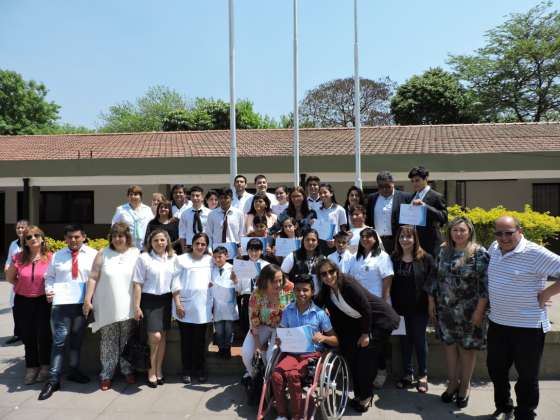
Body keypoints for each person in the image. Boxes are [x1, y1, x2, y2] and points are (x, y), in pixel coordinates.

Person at [486, 216, 560, 420]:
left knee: (527, 376)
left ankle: (525, 414)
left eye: (508, 232)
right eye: (499, 233)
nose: (503, 237)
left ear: (520, 231)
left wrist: (547, 293)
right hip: (498, 323)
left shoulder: (534, 252)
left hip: (528, 327)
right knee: (496, 369)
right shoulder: (494, 247)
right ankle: (504, 406)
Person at [315, 259, 400, 413]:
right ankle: (360, 394)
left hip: (380, 319)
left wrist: (366, 333)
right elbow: (316, 303)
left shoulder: (347, 283)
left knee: (364, 359)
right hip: (361, 323)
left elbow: (365, 307)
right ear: (320, 277)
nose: (328, 276)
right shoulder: (327, 291)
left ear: (336, 271)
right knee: (352, 356)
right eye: (323, 274)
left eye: (331, 272)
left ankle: (366, 396)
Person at [428, 217, 489, 408]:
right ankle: (453, 382)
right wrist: (431, 302)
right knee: (449, 346)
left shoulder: (479, 253)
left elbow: (486, 286)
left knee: (467, 348)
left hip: (470, 312)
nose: (459, 233)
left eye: (462, 230)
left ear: (469, 231)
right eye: (455, 230)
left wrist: (479, 311)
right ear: (450, 232)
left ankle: (465, 385)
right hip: (446, 310)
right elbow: (434, 278)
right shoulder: (443, 251)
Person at [39, 224, 97, 400]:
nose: (73, 240)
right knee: (60, 341)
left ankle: (73, 370)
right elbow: (49, 276)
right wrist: (49, 290)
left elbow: (97, 278)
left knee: (77, 339)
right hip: (62, 305)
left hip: (82, 305)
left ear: (84, 237)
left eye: (77, 237)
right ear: (65, 239)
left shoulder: (93, 255)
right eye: (70, 237)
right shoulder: (57, 256)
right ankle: (53, 379)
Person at [82, 222, 140, 391]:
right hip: (106, 304)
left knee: (127, 339)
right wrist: (88, 299)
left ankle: (127, 369)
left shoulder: (136, 253)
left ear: (127, 237)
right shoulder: (103, 253)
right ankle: (106, 374)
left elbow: (140, 280)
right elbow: (93, 277)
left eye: (121, 235)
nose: (117, 239)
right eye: (114, 236)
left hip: (128, 305)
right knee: (108, 340)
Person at [272, 274, 338, 420]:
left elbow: (335, 340)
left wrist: (324, 337)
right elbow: (282, 331)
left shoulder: (320, 314)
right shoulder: (288, 311)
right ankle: (282, 414)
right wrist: (279, 339)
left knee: (293, 375)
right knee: (276, 375)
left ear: (312, 292)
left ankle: (297, 415)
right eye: (298, 290)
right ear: (293, 291)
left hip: (312, 355)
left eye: (305, 290)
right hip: (291, 353)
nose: (301, 293)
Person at [347, 227, 394, 388]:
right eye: (363, 237)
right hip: (358, 307)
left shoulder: (383, 256)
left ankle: (381, 371)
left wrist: (383, 301)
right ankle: (363, 374)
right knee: (360, 341)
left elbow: (387, 279)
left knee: (376, 343)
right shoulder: (355, 257)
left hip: (376, 306)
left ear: (376, 239)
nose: (366, 239)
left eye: (369, 237)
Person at [390, 225, 435, 393]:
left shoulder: (426, 258)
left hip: (419, 308)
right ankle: (408, 374)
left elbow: (431, 283)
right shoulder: (393, 258)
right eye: (402, 237)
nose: (405, 240)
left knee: (419, 340)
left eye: (408, 237)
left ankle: (423, 375)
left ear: (415, 239)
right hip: (399, 309)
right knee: (404, 341)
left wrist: (431, 304)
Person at [6, 225, 52, 385]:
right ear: (24, 241)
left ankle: (45, 366)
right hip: (23, 300)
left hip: (42, 301)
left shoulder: (50, 257)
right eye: (28, 237)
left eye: (36, 235)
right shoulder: (19, 257)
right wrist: (22, 286)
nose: (33, 239)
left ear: (42, 238)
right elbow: (10, 277)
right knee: (28, 335)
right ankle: (31, 367)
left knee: (44, 334)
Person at [132, 229, 176, 388]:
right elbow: (137, 283)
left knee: (163, 336)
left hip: (166, 300)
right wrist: (136, 306)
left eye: (162, 240)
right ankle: (150, 371)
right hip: (149, 300)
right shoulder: (143, 258)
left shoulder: (172, 258)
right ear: (151, 242)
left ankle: (158, 370)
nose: (159, 243)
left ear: (167, 242)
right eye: (156, 240)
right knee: (155, 337)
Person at [172, 232, 213, 384]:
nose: (200, 246)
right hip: (185, 306)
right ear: (192, 244)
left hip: (203, 306)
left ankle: (200, 370)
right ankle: (187, 370)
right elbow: (175, 282)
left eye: (203, 244)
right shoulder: (181, 259)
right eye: (197, 243)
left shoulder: (211, 260)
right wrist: (178, 303)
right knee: (186, 341)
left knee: (201, 341)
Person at [241, 264, 294, 379]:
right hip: (262, 326)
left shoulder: (289, 289)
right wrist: (258, 345)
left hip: (281, 327)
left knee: (271, 356)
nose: (278, 284)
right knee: (246, 353)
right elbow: (254, 319)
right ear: (265, 280)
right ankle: (253, 375)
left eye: (280, 280)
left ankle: (270, 381)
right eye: (274, 281)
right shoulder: (257, 294)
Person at [366, 170, 412, 253]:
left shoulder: (405, 197)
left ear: (393, 183)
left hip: (398, 243)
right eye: (381, 186)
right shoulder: (371, 198)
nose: (384, 189)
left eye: (387, 186)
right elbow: (368, 220)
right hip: (377, 242)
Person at [232, 238, 270, 337]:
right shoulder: (241, 266)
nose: (253, 253)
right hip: (247, 299)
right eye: (251, 250)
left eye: (256, 250)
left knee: (263, 325)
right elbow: (238, 289)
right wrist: (235, 280)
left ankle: (261, 349)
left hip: (263, 299)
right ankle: (250, 350)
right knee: (247, 328)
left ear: (261, 251)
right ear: (247, 251)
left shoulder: (267, 266)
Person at [408, 166, 448, 257]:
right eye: (412, 181)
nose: (414, 183)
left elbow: (444, 217)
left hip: (431, 244)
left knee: (431, 270)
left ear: (425, 179)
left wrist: (425, 206)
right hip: (414, 243)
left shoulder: (436, 196)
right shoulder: (412, 197)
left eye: (417, 180)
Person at [4, 219, 29, 345]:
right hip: (16, 280)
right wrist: (7, 267)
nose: (20, 230)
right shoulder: (13, 244)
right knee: (15, 305)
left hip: (29, 280)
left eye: (22, 227)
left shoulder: (31, 241)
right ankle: (18, 333)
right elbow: (9, 259)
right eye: (18, 228)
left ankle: (28, 333)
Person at [211, 246, 238, 359]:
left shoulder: (233, 269)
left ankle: (227, 349)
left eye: (220, 257)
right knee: (219, 330)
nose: (217, 260)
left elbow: (238, 287)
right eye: (215, 257)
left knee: (229, 330)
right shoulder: (212, 270)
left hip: (229, 305)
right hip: (217, 305)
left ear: (226, 256)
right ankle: (221, 348)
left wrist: (235, 280)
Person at [281, 229, 326, 294]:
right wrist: (289, 286)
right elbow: (283, 273)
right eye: (307, 239)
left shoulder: (323, 259)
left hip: (317, 298)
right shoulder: (292, 256)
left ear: (318, 242)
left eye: (313, 240)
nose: (310, 242)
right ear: (303, 241)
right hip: (297, 296)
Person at [112, 185, 154, 249]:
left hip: (145, 246)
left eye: (136, 194)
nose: (133, 196)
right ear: (128, 196)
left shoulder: (147, 209)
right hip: (127, 245)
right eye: (130, 194)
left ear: (140, 197)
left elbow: (152, 225)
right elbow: (114, 226)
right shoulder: (121, 209)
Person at [316, 183, 347, 252]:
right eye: (320, 193)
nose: (322, 195)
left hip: (335, 243)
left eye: (325, 192)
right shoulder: (317, 211)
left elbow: (343, 230)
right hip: (321, 243)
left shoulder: (340, 209)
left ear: (331, 193)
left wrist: (336, 241)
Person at [179, 186, 210, 252]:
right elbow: (182, 233)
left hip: (205, 246)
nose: (195, 198)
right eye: (193, 196)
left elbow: (212, 232)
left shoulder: (209, 213)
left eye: (197, 196)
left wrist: (210, 249)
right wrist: (183, 249)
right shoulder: (185, 214)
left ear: (202, 197)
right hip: (190, 246)